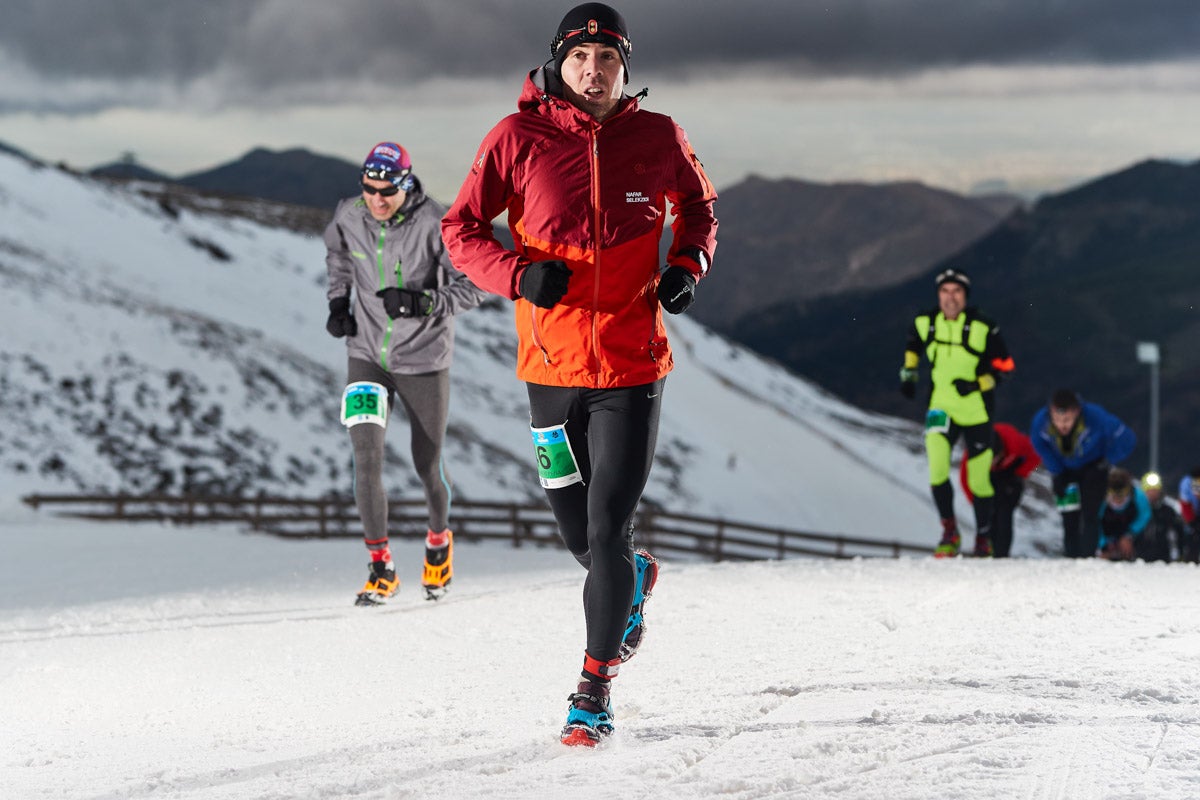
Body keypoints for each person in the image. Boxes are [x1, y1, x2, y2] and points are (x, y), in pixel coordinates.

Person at [441, 2, 717, 746]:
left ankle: (593, 688)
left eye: (609, 59)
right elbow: (459, 229)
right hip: (550, 370)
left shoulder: (658, 137)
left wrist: (686, 267)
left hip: (631, 365)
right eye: (581, 58)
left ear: (625, 69)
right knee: (581, 537)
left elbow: (698, 209)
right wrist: (516, 274)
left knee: (608, 522)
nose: (594, 71)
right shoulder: (515, 138)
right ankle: (633, 576)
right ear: (558, 62)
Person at [325, 142, 486, 605]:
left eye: (387, 191)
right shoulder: (349, 214)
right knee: (366, 458)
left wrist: (424, 303)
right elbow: (338, 256)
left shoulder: (436, 222)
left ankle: (438, 540)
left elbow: (473, 285)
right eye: (369, 190)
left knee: (427, 466)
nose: (376, 200)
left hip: (423, 360)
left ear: (406, 182)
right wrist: (339, 301)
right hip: (367, 356)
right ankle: (382, 569)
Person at [900, 268, 1015, 558]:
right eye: (945, 291)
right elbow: (913, 342)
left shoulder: (983, 327)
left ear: (965, 296)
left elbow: (1006, 367)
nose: (950, 298)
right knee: (937, 469)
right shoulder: (926, 322)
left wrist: (977, 384)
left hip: (977, 411)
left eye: (956, 292)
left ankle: (983, 538)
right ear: (938, 295)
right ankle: (949, 532)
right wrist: (909, 372)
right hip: (940, 406)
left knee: (978, 479)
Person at [1029, 389, 1135, 558]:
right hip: (1064, 470)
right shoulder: (1041, 422)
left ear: (1077, 412)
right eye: (1057, 419)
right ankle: (1071, 557)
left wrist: (1107, 460)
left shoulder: (1096, 417)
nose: (1062, 425)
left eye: (1067, 420)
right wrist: (1056, 471)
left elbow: (1127, 438)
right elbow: (1039, 446)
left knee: (1090, 514)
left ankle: (1087, 558)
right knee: (1068, 515)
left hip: (1093, 468)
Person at [957, 422, 1040, 557]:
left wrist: (1021, 473)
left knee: (1004, 517)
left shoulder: (1017, 442)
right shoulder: (973, 452)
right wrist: (977, 503)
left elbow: (1037, 455)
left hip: (1010, 480)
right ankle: (986, 551)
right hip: (986, 480)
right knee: (987, 518)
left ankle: (1001, 555)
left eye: (993, 460)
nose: (990, 464)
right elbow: (964, 479)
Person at [1097, 468, 1153, 561]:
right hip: (1110, 532)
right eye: (1114, 495)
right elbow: (1098, 524)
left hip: (1132, 532)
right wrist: (1104, 545)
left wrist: (1128, 535)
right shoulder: (1102, 501)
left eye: (1122, 495)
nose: (1118, 500)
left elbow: (1145, 517)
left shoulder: (1138, 496)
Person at [1139, 472, 1190, 563]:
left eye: (1155, 490)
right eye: (1149, 490)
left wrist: (1181, 554)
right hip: (1138, 558)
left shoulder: (1168, 511)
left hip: (1164, 559)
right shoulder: (1136, 510)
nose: (1152, 493)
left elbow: (1179, 532)